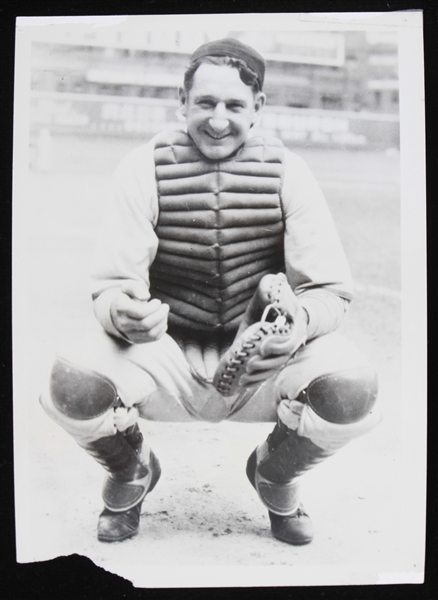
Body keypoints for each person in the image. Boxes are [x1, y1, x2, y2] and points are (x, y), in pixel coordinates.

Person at [40, 38, 381, 545]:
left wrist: (299, 326)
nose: (218, 120)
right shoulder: (144, 166)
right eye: (205, 103)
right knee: (71, 383)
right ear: (182, 101)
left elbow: (330, 290)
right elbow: (112, 289)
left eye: (234, 105)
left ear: (258, 107)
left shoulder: (289, 172)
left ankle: (275, 474)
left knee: (353, 387)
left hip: (261, 360)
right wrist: (124, 314)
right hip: (166, 356)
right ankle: (131, 469)